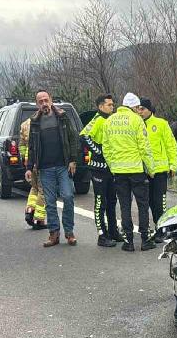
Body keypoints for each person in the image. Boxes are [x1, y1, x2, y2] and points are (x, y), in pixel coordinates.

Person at [24, 90, 80, 247]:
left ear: (51, 100)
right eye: (40, 101)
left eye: (46, 100)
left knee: (68, 197)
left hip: (63, 166)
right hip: (45, 169)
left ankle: (69, 232)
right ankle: (54, 234)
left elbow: (73, 138)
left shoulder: (62, 117)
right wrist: (29, 167)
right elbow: (32, 147)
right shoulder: (35, 122)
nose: (44, 103)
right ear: (37, 104)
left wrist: (73, 160)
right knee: (49, 202)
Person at [103, 92, 156, 252]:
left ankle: (128, 241)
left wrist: (113, 167)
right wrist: (151, 169)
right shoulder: (137, 120)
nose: (139, 110)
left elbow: (106, 148)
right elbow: (144, 147)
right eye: (137, 107)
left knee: (125, 206)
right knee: (142, 205)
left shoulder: (109, 121)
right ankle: (145, 240)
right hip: (136, 170)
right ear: (133, 106)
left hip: (119, 172)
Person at [80, 94, 123, 247]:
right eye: (109, 105)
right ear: (100, 106)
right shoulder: (98, 119)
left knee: (112, 200)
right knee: (100, 202)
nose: (112, 107)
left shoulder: (110, 120)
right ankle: (102, 235)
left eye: (112, 104)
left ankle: (113, 231)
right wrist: (98, 151)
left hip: (111, 167)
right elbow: (83, 136)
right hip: (98, 169)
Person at [137, 98, 177, 241]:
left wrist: (173, 165)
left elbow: (171, 145)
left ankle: (162, 229)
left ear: (149, 109)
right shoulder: (137, 124)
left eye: (142, 109)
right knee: (148, 202)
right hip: (143, 171)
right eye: (138, 109)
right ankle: (156, 228)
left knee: (159, 202)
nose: (140, 111)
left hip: (160, 171)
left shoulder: (161, 124)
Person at [19, 117, 47, 230]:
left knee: (34, 188)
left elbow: (22, 145)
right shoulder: (43, 122)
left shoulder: (25, 124)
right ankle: (39, 220)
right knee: (43, 190)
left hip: (29, 160)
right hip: (38, 160)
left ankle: (30, 209)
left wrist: (25, 160)